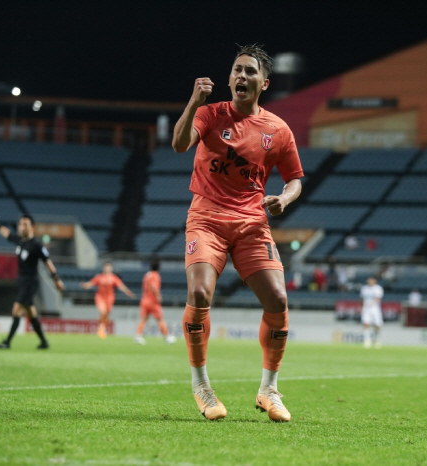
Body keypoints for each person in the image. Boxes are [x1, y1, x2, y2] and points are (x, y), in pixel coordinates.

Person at [172, 44, 303, 422]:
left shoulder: (277, 130)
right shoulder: (210, 114)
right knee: (199, 292)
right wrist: (195, 100)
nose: (240, 77)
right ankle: (201, 386)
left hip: (251, 223)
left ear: (264, 82)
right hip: (207, 218)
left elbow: (294, 179)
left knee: (278, 299)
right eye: (236, 70)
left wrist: (286, 198)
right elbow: (180, 144)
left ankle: (269, 391)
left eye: (249, 71)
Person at [0, 213, 64, 349]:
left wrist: (56, 279)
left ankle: (7, 342)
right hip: (22, 281)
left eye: (25, 225)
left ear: (32, 227)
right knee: (31, 313)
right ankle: (44, 342)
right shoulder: (21, 241)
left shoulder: (37, 245)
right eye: (20, 224)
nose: (21, 227)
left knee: (16, 310)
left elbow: (48, 262)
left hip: (30, 282)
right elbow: (7, 234)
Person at [81, 262, 136, 339]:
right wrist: (85, 285)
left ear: (111, 269)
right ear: (103, 268)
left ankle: (102, 328)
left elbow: (121, 286)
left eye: (109, 267)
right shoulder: (99, 277)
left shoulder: (114, 278)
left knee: (106, 314)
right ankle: (101, 328)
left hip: (110, 298)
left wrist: (128, 293)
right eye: (106, 267)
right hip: (100, 297)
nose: (107, 269)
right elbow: (91, 283)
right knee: (102, 311)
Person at [134, 260, 176, 345]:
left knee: (143, 319)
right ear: (159, 268)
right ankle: (167, 337)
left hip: (144, 300)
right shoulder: (156, 275)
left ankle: (138, 336)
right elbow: (153, 287)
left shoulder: (147, 275)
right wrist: (158, 296)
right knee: (160, 319)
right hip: (152, 301)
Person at [360, 277, 384, 348]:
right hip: (366, 308)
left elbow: (378, 297)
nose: (370, 281)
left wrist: (372, 303)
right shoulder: (364, 289)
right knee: (366, 323)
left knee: (377, 324)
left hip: (375, 308)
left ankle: (377, 339)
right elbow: (361, 299)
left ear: (374, 281)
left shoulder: (378, 288)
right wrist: (361, 307)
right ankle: (367, 340)